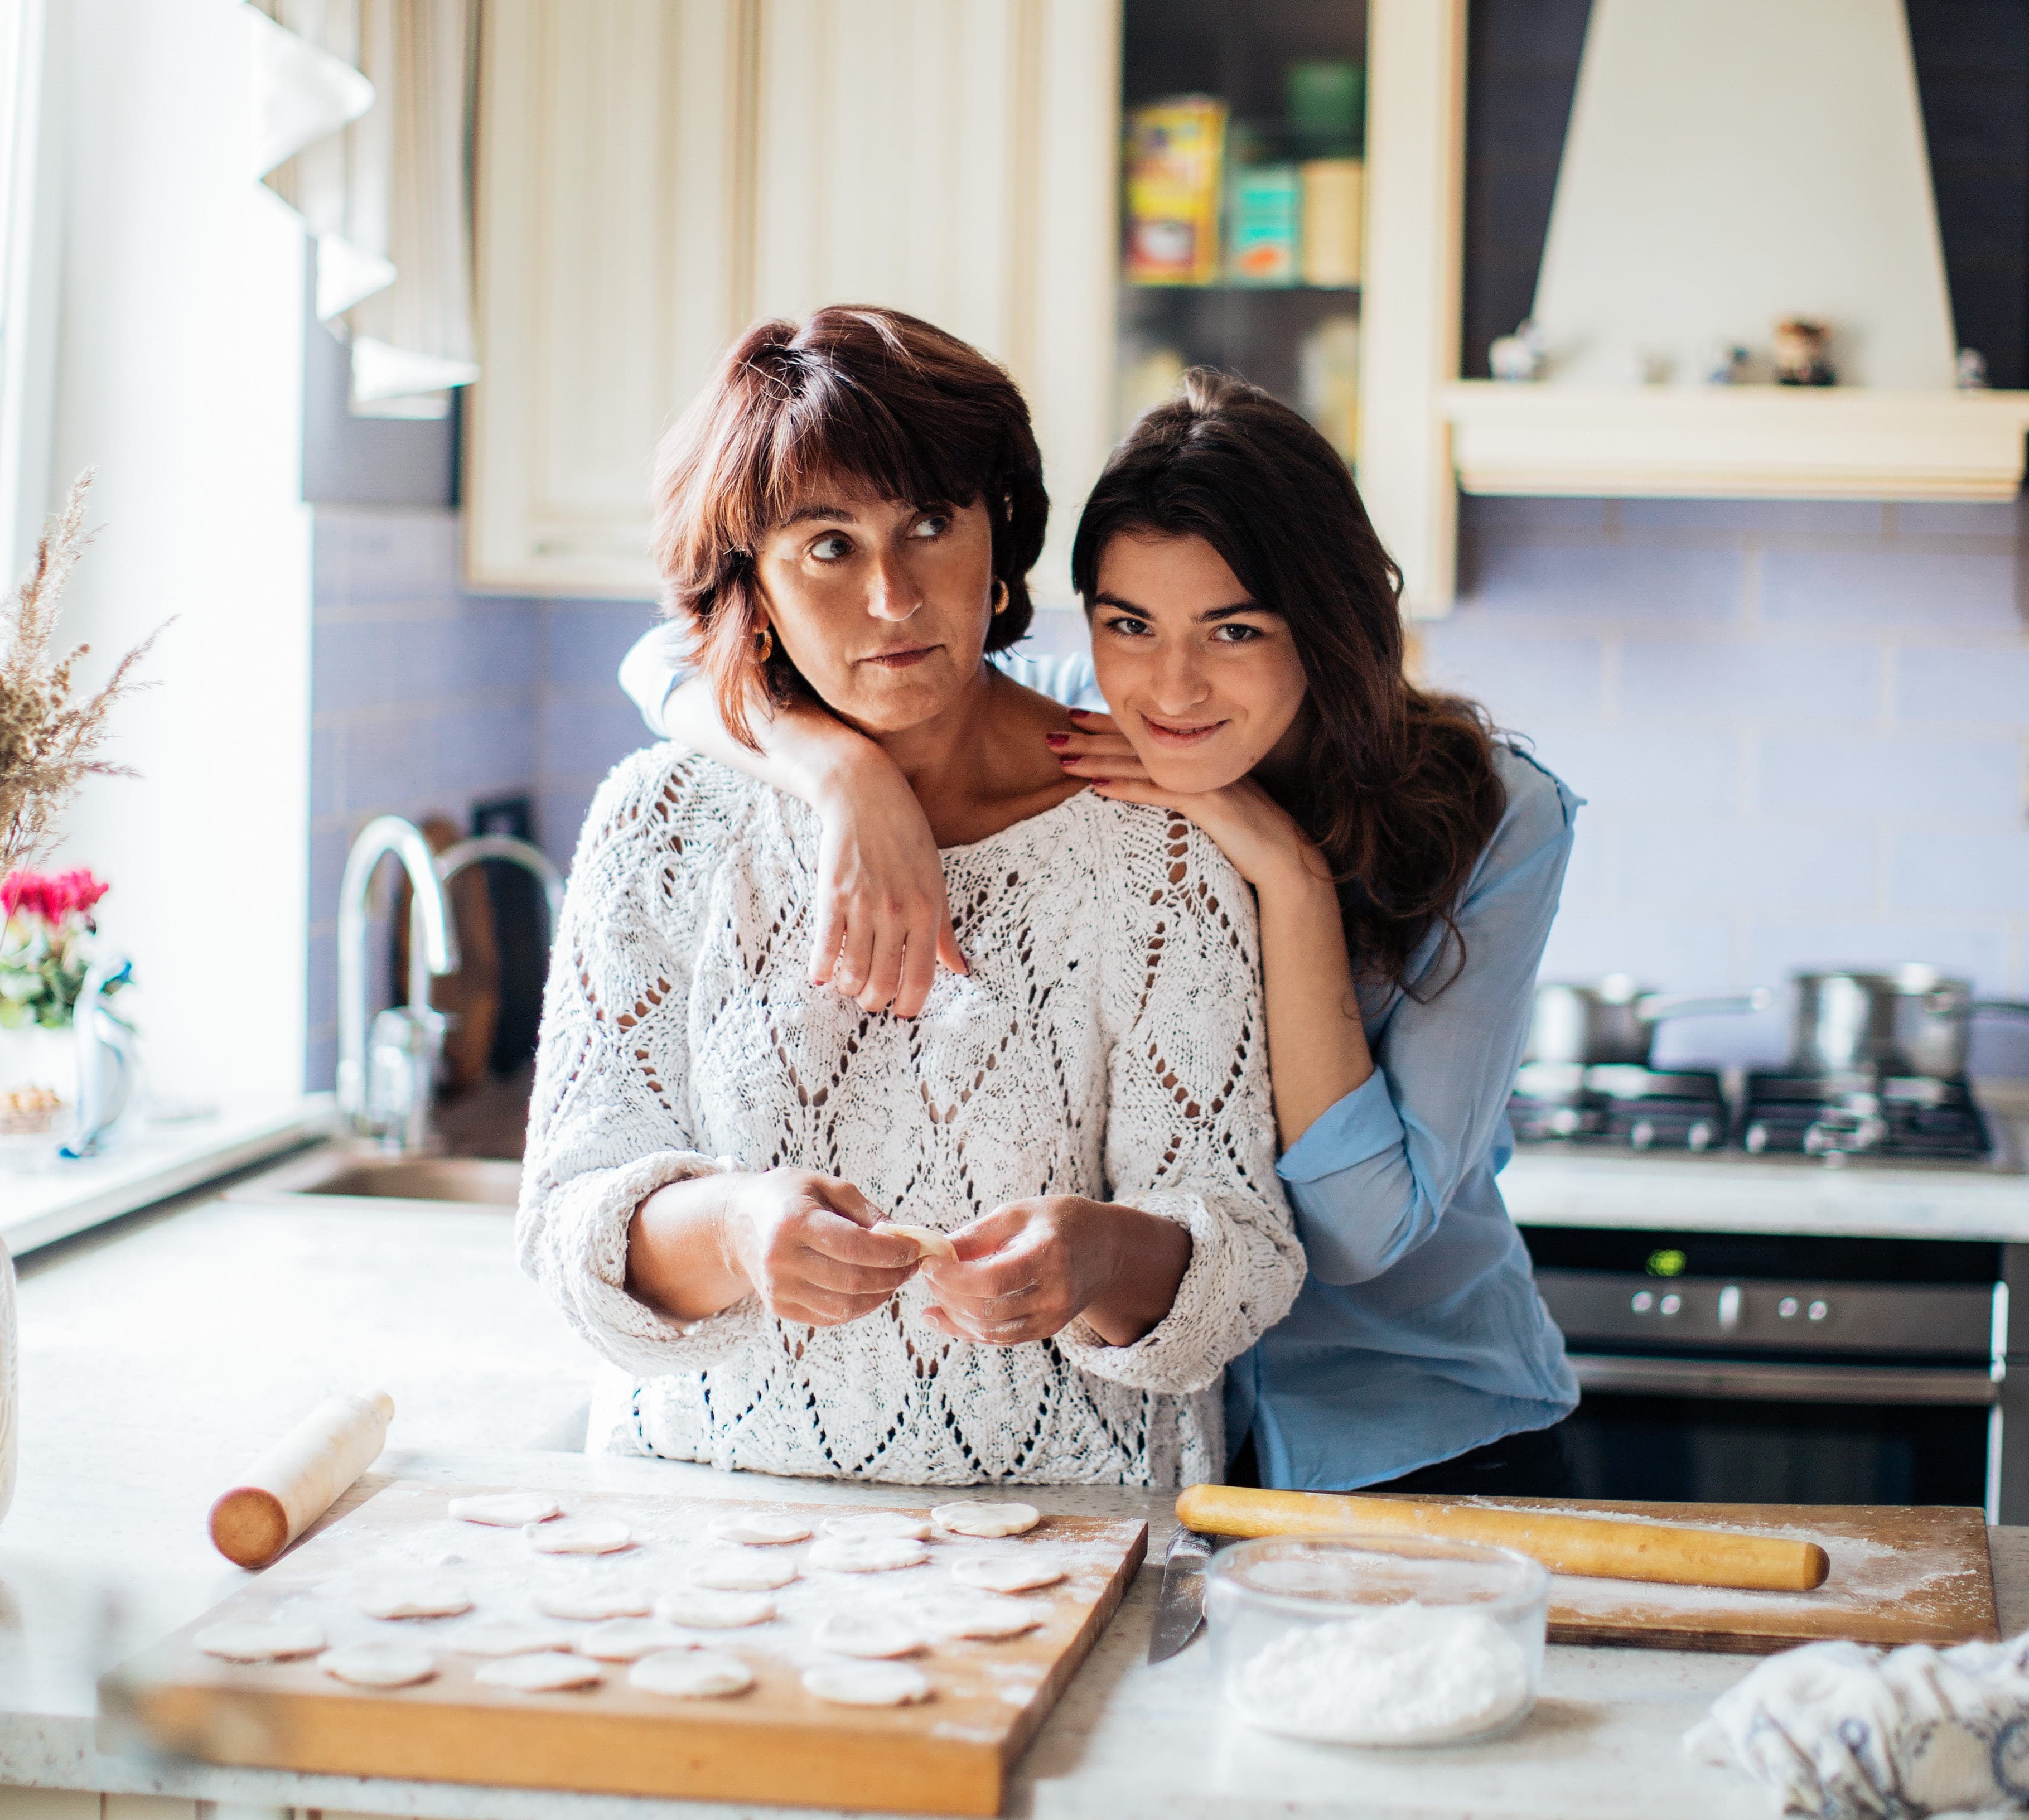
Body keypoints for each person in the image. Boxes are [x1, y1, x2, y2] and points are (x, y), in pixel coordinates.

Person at [625, 367, 1581, 1499]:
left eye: (1235, 628)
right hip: (1169, 1438)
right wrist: (842, 774)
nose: (1172, 686)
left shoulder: (1494, 810)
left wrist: (1284, 868)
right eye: (1129, 621)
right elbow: (667, 664)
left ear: (1327, 626)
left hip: (1410, 1424)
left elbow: (1366, 1231)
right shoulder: (1087, 714)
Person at [520, 310, 1305, 1491]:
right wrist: (735, 1228)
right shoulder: (660, 824)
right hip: (698, 1530)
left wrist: (1100, 1257)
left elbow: (1243, 1256)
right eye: (826, 546)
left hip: (1073, 1530)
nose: (892, 595)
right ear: (755, 587)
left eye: (930, 525)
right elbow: (566, 1230)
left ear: (1000, 543)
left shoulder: (1158, 836)